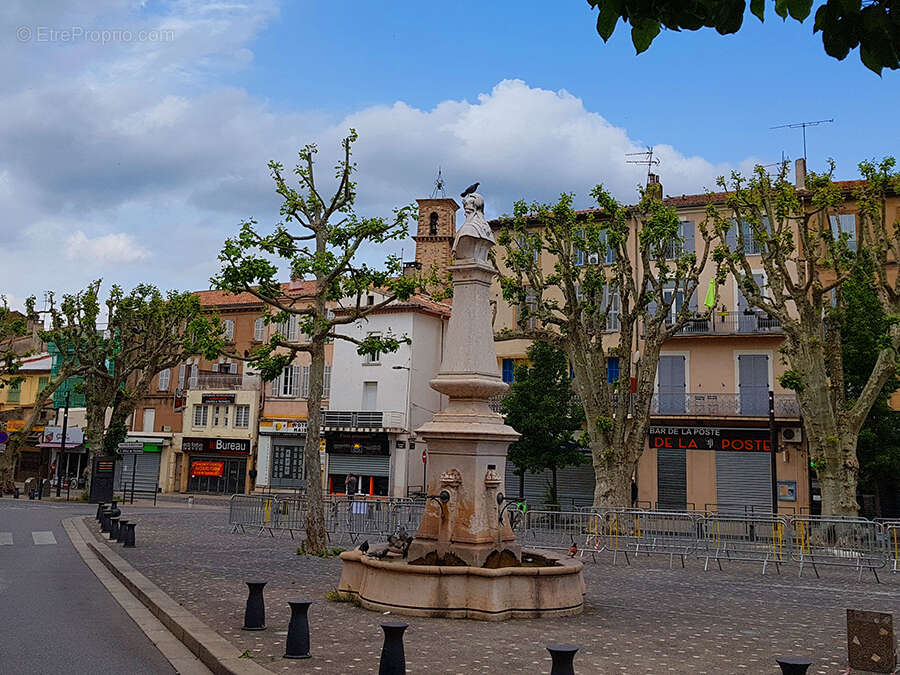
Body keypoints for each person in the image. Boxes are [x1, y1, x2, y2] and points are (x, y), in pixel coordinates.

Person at [452, 191, 495, 262]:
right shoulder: (487, 230)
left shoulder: (468, 229)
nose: (465, 215)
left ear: (473, 210)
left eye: (467, 212)